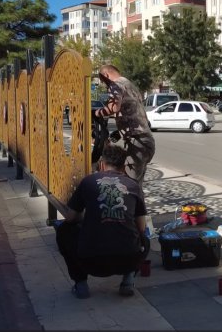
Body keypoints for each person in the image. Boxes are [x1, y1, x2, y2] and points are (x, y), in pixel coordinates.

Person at [55, 144, 149, 299]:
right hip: (127, 260)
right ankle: (128, 280)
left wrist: (86, 218)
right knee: (145, 239)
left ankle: (80, 283)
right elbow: (141, 226)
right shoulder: (133, 185)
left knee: (64, 230)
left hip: (90, 262)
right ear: (123, 166)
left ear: (102, 164)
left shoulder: (88, 182)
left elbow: (70, 218)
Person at [94, 64, 155, 184]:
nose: (104, 85)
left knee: (129, 184)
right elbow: (134, 116)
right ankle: (138, 202)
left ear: (106, 75)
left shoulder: (115, 85)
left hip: (137, 142)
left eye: (102, 81)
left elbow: (114, 107)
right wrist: (116, 135)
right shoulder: (130, 85)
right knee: (136, 186)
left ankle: (133, 202)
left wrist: (97, 113)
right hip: (147, 141)